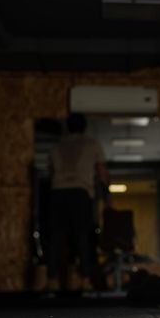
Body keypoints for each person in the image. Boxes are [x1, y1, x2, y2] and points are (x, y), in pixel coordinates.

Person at [47, 113, 110, 292]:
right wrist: (107, 198)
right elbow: (102, 172)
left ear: (68, 127)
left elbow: (51, 172)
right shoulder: (92, 143)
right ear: (84, 127)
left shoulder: (56, 146)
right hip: (80, 193)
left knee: (56, 238)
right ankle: (86, 281)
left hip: (57, 193)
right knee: (83, 237)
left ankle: (52, 282)